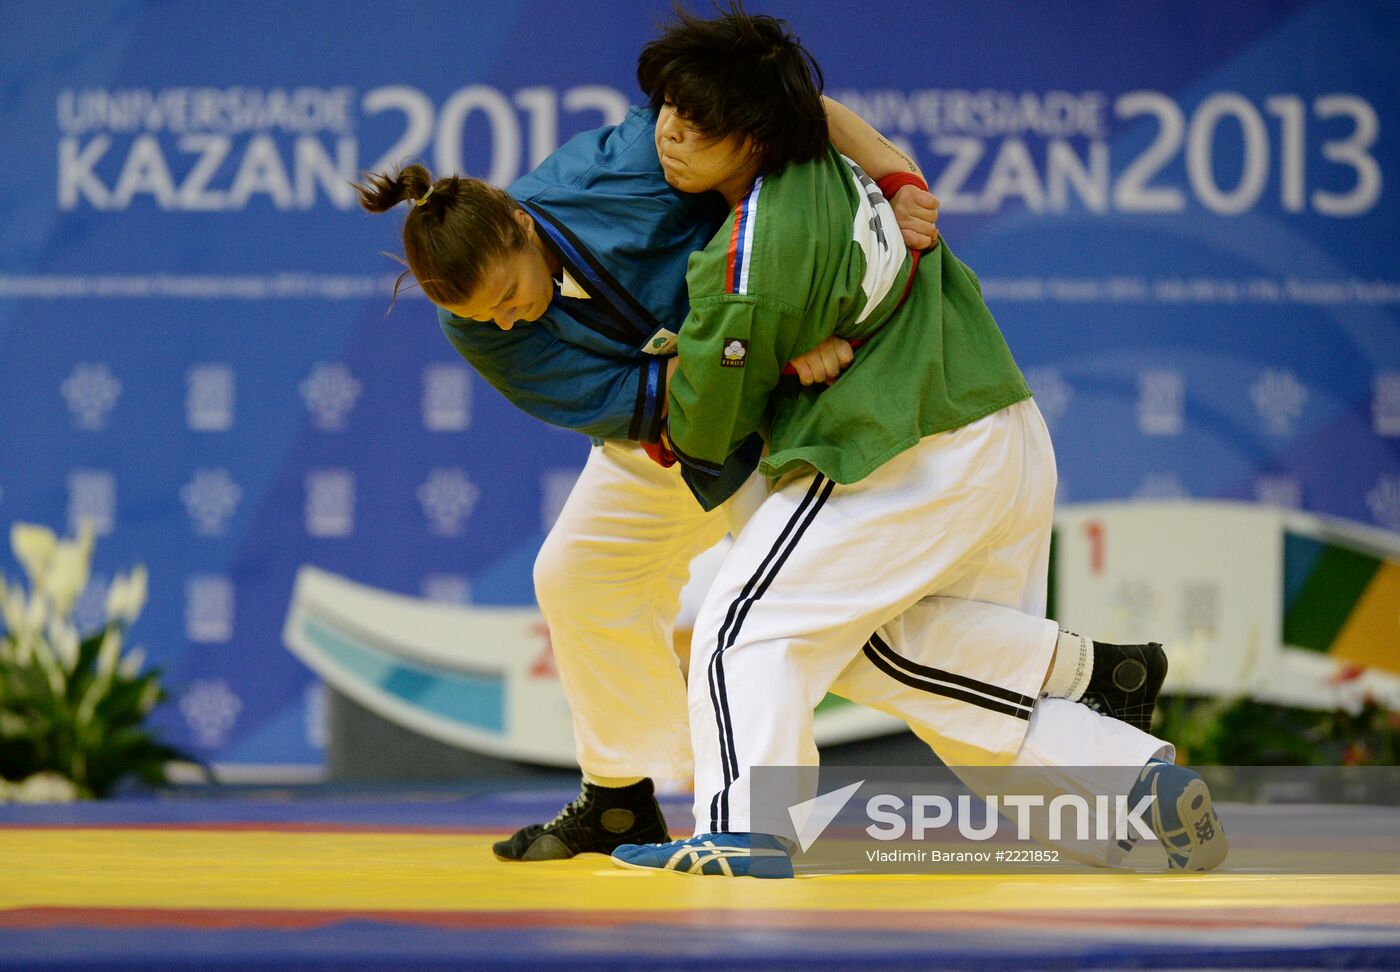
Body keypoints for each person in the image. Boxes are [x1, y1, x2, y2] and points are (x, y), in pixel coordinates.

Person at [356, 81, 1167, 864]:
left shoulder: (621, 161)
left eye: (507, 294)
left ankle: (1084, 688)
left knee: (818, 634)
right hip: (683, 429)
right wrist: (779, 341)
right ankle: (618, 793)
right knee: (577, 574)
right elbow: (671, 404)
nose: (507, 319)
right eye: (482, 316)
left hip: (778, 419)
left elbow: (789, 109)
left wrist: (896, 177)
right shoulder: (477, 331)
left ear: (516, 222)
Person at [608, 7, 1225, 878]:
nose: (669, 132)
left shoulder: (751, 256)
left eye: (696, 121)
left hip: (900, 446)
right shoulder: (836, 164)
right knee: (926, 683)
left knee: (746, 630)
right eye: (666, 107)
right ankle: (1132, 791)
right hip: (996, 424)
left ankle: (744, 833)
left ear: (752, 137)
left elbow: (702, 423)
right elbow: (828, 119)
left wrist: (709, 369)